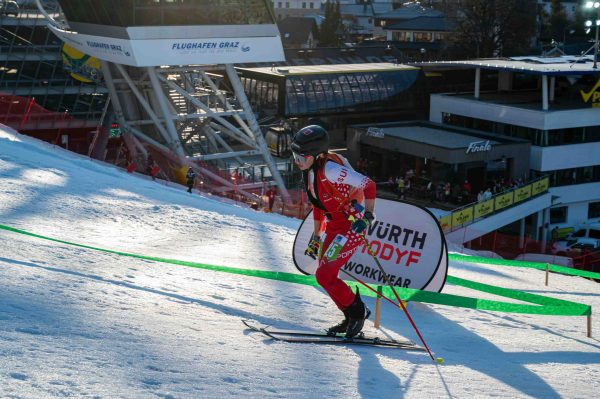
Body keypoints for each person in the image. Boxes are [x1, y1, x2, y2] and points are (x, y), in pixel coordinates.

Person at [291, 125, 376, 339]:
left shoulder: (331, 170)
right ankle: (350, 316)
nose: (297, 162)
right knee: (324, 277)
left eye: (302, 157)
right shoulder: (311, 173)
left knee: (324, 274)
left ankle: (358, 312)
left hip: (351, 226)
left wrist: (367, 216)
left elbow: (369, 185)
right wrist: (316, 235)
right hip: (335, 227)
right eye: (295, 156)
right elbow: (319, 204)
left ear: (317, 155)